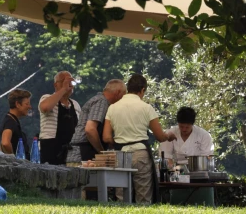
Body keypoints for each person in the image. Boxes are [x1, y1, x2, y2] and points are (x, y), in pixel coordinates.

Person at [103, 74, 176, 204]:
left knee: (121, 197)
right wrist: (168, 136)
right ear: (142, 90)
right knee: (143, 196)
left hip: (120, 155)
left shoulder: (112, 108)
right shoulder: (146, 108)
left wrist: (121, 143)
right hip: (140, 153)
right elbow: (159, 136)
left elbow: (106, 137)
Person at [65, 79, 127, 166]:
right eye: (124, 95)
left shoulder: (99, 100)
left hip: (81, 154)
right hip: (81, 156)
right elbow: (90, 129)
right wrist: (102, 152)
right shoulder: (102, 102)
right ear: (118, 93)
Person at [38, 71, 81, 164]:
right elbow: (45, 107)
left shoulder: (75, 104)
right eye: (64, 81)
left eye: (70, 81)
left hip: (71, 152)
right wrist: (63, 90)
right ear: (55, 85)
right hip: (50, 150)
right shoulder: (46, 98)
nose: (68, 84)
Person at [0, 89, 32, 155]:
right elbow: (5, 142)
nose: (30, 107)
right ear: (17, 104)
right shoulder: (10, 122)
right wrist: (13, 158)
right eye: (27, 104)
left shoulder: (12, 120)